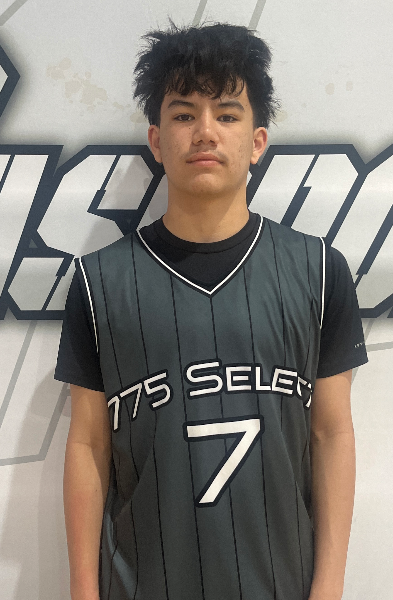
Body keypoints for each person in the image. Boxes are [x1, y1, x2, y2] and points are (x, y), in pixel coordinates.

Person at [55, 19, 368, 600]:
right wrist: (82, 592)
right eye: (183, 115)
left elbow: (331, 434)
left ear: (257, 141)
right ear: (156, 141)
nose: (204, 132)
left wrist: (329, 588)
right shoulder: (99, 282)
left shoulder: (320, 271)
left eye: (226, 114)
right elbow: (88, 446)